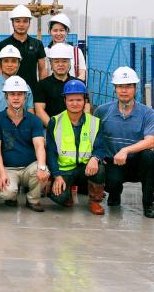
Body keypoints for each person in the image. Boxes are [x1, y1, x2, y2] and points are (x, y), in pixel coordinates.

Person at [94, 66, 154, 218]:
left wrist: (125, 150)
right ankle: (114, 193)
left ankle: (148, 202)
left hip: (136, 162)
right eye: (120, 86)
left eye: (128, 86)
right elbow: (95, 139)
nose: (124, 90)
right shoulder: (102, 112)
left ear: (135, 88)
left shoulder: (148, 113)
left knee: (149, 158)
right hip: (114, 162)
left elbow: (150, 142)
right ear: (115, 89)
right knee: (111, 180)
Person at [47, 79, 109, 215]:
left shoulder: (95, 122)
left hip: (86, 169)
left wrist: (95, 158)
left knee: (100, 169)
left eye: (79, 100)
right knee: (59, 197)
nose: (75, 103)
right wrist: (56, 175)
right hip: (64, 170)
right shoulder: (55, 121)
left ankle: (95, 201)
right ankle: (66, 192)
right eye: (71, 100)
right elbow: (51, 152)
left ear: (85, 101)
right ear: (65, 100)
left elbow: (100, 147)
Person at [0, 76, 47, 212]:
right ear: (6, 96)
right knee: (7, 192)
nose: (16, 98)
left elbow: (39, 146)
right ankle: (12, 197)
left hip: (29, 167)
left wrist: (42, 167)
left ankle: (33, 199)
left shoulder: (34, 120)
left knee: (44, 172)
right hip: (7, 168)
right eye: (12, 94)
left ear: (25, 97)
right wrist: (1, 173)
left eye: (20, 94)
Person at [0, 4, 48, 94]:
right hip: (10, 93)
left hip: (32, 91)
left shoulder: (37, 44)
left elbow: (42, 70)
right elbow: (0, 70)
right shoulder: (3, 44)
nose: (21, 24)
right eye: (17, 21)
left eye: (25, 21)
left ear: (29, 23)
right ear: (12, 22)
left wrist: (42, 91)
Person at [35, 43, 86, 127]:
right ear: (51, 63)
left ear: (69, 63)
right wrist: (54, 129)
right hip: (50, 129)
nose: (60, 64)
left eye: (64, 61)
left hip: (76, 128)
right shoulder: (42, 85)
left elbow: (86, 107)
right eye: (56, 61)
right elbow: (39, 111)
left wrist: (77, 127)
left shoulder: (78, 83)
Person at [0, 45, 37, 115]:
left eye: (14, 61)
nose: (10, 65)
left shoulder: (26, 87)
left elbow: (30, 112)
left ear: (19, 64)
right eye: (6, 61)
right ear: (0, 63)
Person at [46, 13, 87, 81]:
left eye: (61, 30)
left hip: (72, 87)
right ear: (50, 32)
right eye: (55, 30)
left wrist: (71, 85)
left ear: (67, 31)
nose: (58, 34)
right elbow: (43, 74)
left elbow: (82, 74)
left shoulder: (76, 51)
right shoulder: (45, 51)